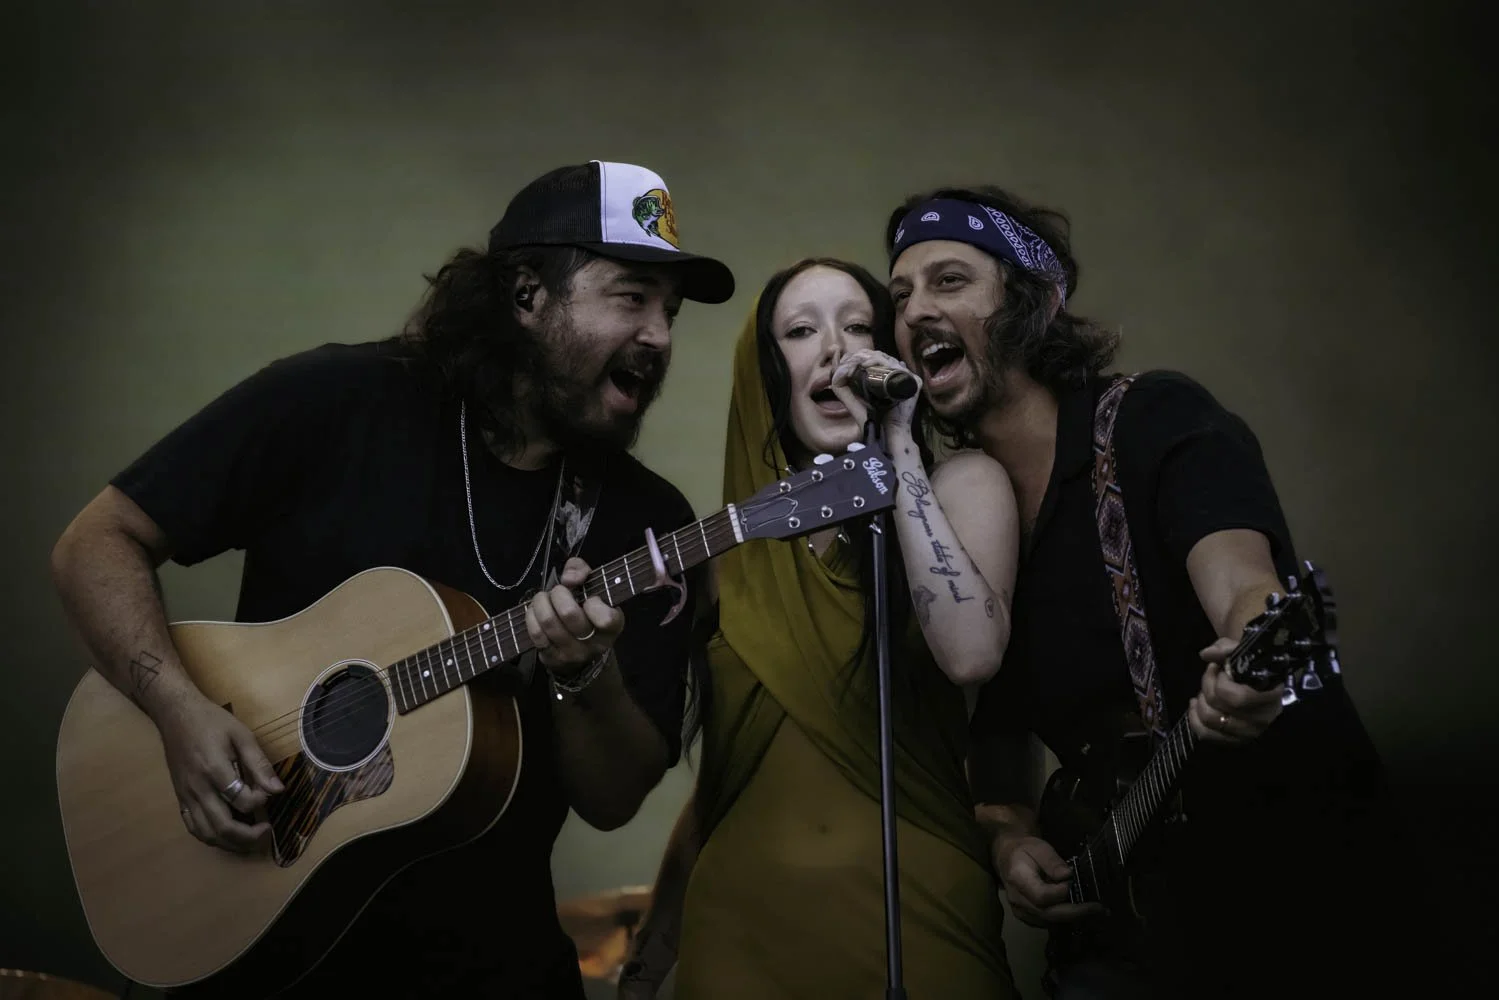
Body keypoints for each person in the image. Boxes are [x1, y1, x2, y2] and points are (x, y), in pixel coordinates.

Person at [49, 160, 735, 999]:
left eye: (670, 311)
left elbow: (614, 798)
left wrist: (584, 672)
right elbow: (97, 542)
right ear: (526, 295)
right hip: (254, 956)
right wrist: (179, 713)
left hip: (491, 969)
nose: (661, 335)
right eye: (631, 297)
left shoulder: (650, 527)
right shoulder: (337, 401)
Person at [881, 186, 1399, 998]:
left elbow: (1242, 580)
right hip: (1129, 912)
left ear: (1033, 304)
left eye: (948, 281)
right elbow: (997, 733)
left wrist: (1248, 646)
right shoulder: (963, 516)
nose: (914, 311)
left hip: (1292, 868)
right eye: (899, 295)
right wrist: (1007, 835)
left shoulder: (1151, 419)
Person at [616, 257, 1023, 999]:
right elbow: (726, 776)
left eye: (859, 326)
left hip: (918, 919)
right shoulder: (723, 555)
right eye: (801, 331)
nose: (835, 350)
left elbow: (970, 655)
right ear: (768, 372)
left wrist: (896, 446)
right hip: (737, 936)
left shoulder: (962, 486)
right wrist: (655, 944)